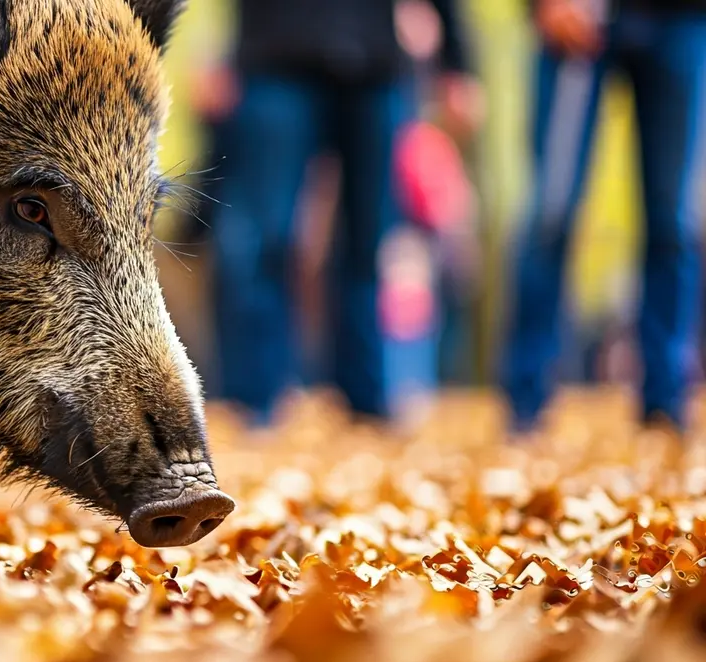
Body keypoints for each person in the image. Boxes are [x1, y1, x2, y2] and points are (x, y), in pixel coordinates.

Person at [197, 0, 483, 426]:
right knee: (265, 238)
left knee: (372, 239)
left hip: (376, 61)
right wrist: (216, 52)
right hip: (275, 56)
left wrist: (457, 63)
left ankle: (367, 398)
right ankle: (255, 398)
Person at [501, 0, 706, 432]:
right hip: (580, 13)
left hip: (683, 20)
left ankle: (667, 401)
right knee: (552, 214)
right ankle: (525, 396)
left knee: (675, 222)